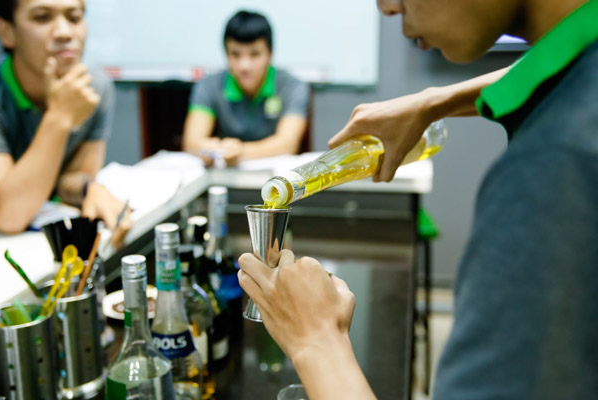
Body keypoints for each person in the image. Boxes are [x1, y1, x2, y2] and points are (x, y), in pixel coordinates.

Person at [238, 0, 598, 399]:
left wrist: (315, 340)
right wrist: (433, 102)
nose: (387, 7)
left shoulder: (556, 166)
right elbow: (549, 70)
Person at [0, 0, 131, 246]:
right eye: (42, 17)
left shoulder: (94, 88)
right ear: (7, 32)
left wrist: (89, 189)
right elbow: (8, 215)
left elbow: (71, 178)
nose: (64, 32)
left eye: (74, 17)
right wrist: (59, 116)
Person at [182, 10, 309, 167]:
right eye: (235, 55)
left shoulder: (293, 86)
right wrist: (211, 149)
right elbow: (192, 141)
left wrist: (240, 151)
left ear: (269, 54)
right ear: (226, 54)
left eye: (254, 54)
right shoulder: (209, 85)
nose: (244, 65)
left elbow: (288, 144)